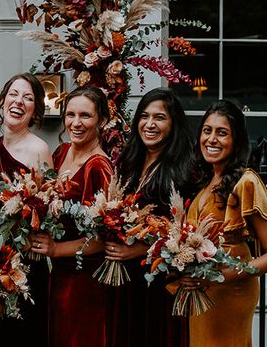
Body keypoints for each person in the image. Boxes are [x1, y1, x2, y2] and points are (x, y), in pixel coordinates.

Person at [185, 99, 267, 346]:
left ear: (237, 140)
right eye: (207, 131)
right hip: (202, 291)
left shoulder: (246, 182)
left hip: (232, 290)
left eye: (222, 133)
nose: (211, 139)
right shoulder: (206, 182)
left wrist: (222, 276)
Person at [103, 88, 193, 347]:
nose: (150, 124)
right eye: (144, 116)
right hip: (125, 282)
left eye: (159, 117)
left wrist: (139, 250)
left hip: (159, 284)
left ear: (173, 123)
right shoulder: (128, 162)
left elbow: (184, 230)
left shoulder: (185, 168)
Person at [31, 86, 114, 347]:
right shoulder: (60, 152)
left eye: (85, 116)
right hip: (55, 276)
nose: (75, 123)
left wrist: (56, 249)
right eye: (70, 115)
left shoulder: (99, 166)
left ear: (102, 120)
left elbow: (105, 239)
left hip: (83, 279)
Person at [0, 73, 53, 347]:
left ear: (35, 110)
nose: (19, 102)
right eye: (14, 94)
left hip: (25, 261)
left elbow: (46, 209)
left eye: (28, 98)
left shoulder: (39, 149)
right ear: (2, 101)